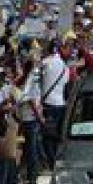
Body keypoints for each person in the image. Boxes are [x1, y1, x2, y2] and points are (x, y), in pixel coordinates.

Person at [40, 41, 69, 169]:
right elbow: (66, 81)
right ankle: (57, 161)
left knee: (47, 136)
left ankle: (51, 163)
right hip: (60, 103)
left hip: (48, 103)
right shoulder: (64, 65)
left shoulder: (44, 63)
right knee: (58, 135)